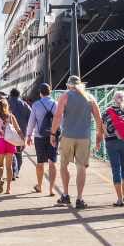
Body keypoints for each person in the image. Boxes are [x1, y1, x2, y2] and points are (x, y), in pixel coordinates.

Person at [49, 75, 103, 209]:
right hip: (84, 137)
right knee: (81, 167)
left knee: (63, 165)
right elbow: (98, 118)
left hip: (68, 135)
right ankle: (79, 198)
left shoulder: (65, 96)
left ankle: (66, 195)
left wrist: (52, 133)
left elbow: (58, 115)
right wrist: (99, 135)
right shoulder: (90, 98)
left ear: (68, 85)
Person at [25, 83, 58, 196]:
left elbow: (31, 122)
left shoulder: (36, 105)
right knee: (52, 162)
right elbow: (61, 120)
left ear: (40, 93)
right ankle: (51, 189)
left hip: (39, 136)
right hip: (53, 136)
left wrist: (29, 135)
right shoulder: (56, 104)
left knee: (40, 162)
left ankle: (39, 186)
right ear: (50, 92)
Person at [0, 99, 24, 194]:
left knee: (0, 165)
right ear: (7, 106)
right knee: (9, 167)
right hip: (10, 142)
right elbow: (18, 129)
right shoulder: (11, 117)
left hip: (0, 142)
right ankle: (8, 189)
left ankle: (0, 179)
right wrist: (22, 140)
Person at [7, 88, 31, 179]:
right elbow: (31, 118)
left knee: (11, 152)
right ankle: (16, 171)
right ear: (19, 95)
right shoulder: (25, 105)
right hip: (21, 132)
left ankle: (13, 171)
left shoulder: (6, 104)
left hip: (8, 133)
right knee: (19, 153)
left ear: (10, 94)